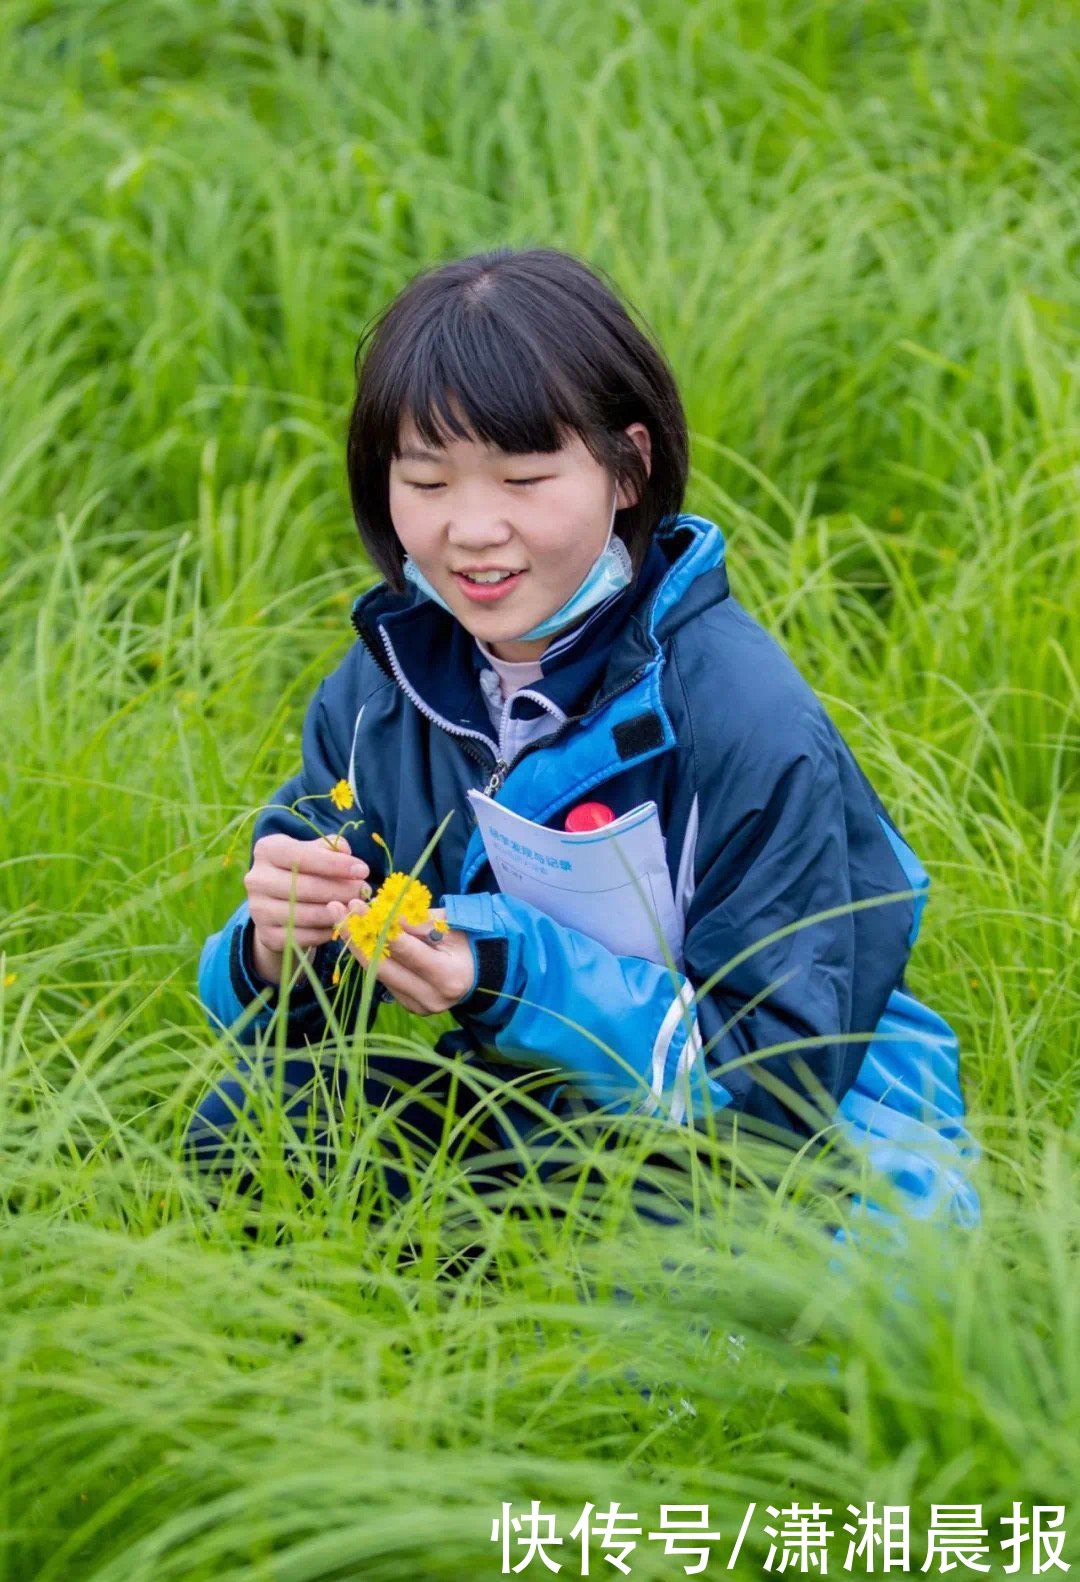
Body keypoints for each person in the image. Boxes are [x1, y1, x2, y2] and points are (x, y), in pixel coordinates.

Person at [191, 245, 981, 1239]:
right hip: (561, 1117)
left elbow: (775, 1087)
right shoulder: (385, 690)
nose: (473, 530)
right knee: (255, 1125)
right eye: (427, 482)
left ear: (628, 467)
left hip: (803, 1161)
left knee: (651, 1315)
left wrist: (509, 971)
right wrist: (276, 947)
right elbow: (299, 1027)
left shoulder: (742, 717)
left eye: (524, 477)